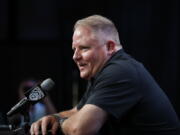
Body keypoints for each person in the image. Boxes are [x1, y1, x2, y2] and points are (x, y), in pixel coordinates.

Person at [30, 15, 180, 135]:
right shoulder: (103, 70)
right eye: (74, 49)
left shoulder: (120, 71)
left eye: (83, 48)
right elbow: (78, 111)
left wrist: (60, 123)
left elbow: (80, 129)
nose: (75, 56)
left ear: (110, 47)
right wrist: (54, 117)